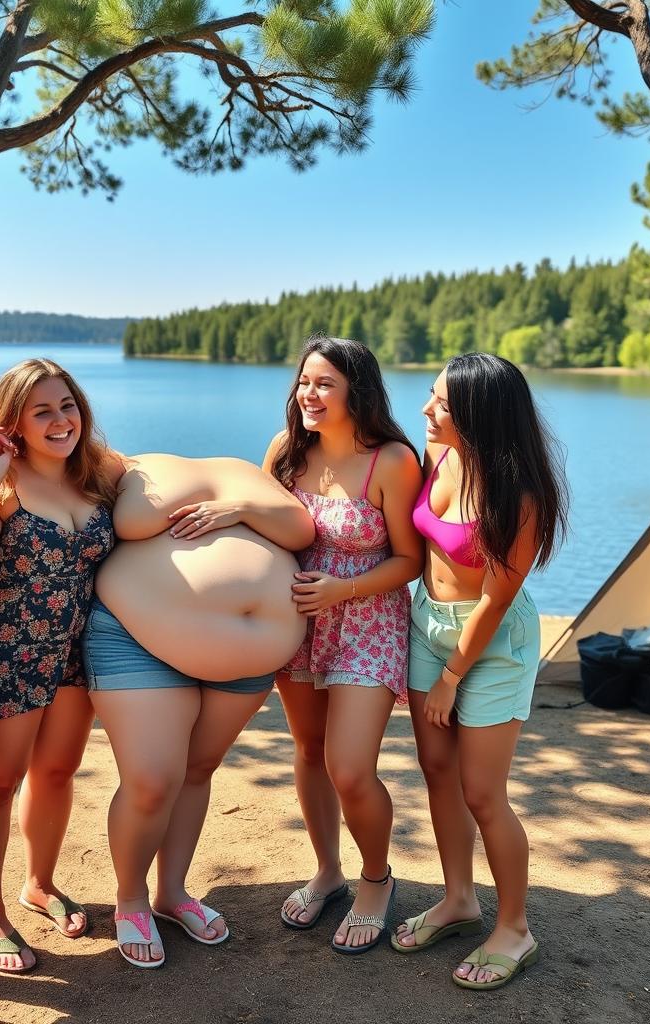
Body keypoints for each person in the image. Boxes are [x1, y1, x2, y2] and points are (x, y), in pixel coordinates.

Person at [82, 453, 315, 968]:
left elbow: (300, 531)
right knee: (150, 780)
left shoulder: (254, 471)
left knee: (196, 769)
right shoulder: (120, 466)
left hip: (250, 661)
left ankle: (172, 892)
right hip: (136, 638)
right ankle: (131, 897)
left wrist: (238, 510)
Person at [391, 352, 567, 992]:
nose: (426, 411)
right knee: (436, 770)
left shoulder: (519, 493)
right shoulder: (438, 455)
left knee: (482, 792)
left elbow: (494, 599)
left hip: (491, 643)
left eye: (441, 403)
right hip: (428, 623)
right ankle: (459, 900)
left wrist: (451, 676)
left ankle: (514, 928)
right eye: (430, 397)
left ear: (480, 415)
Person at [0, 359, 118, 975]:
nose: (60, 421)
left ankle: (40, 884)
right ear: (14, 421)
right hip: (9, 650)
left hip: (78, 650)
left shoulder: (97, 473)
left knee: (57, 771)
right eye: (42, 411)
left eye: (68, 406)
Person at [267, 335, 423, 954]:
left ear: (358, 390)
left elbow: (410, 560)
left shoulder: (391, 460)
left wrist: (344, 589)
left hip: (368, 620)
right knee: (308, 750)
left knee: (350, 768)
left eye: (325, 383)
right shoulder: (286, 453)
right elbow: (262, 522)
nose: (310, 394)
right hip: (300, 621)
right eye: (304, 382)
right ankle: (327, 870)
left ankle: (376, 878)